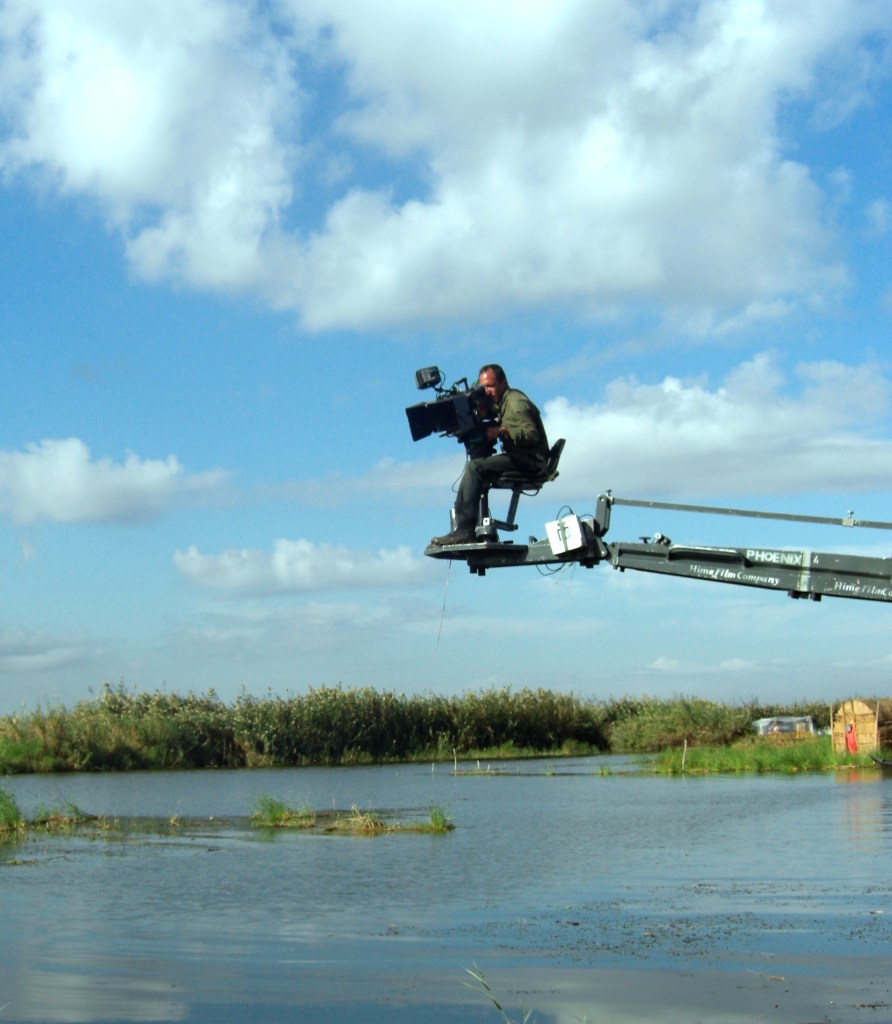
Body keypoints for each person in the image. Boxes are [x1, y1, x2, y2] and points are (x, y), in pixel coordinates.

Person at [430, 364, 549, 545]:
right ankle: (469, 525)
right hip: (524, 458)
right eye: (484, 387)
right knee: (478, 464)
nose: (487, 391)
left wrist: (502, 431)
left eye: (491, 386)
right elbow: (496, 410)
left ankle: (464, 530)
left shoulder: (515, 402)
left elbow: (530, 435)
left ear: (503, 383)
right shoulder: (504, 401)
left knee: (475, 467)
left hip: (530, 462)